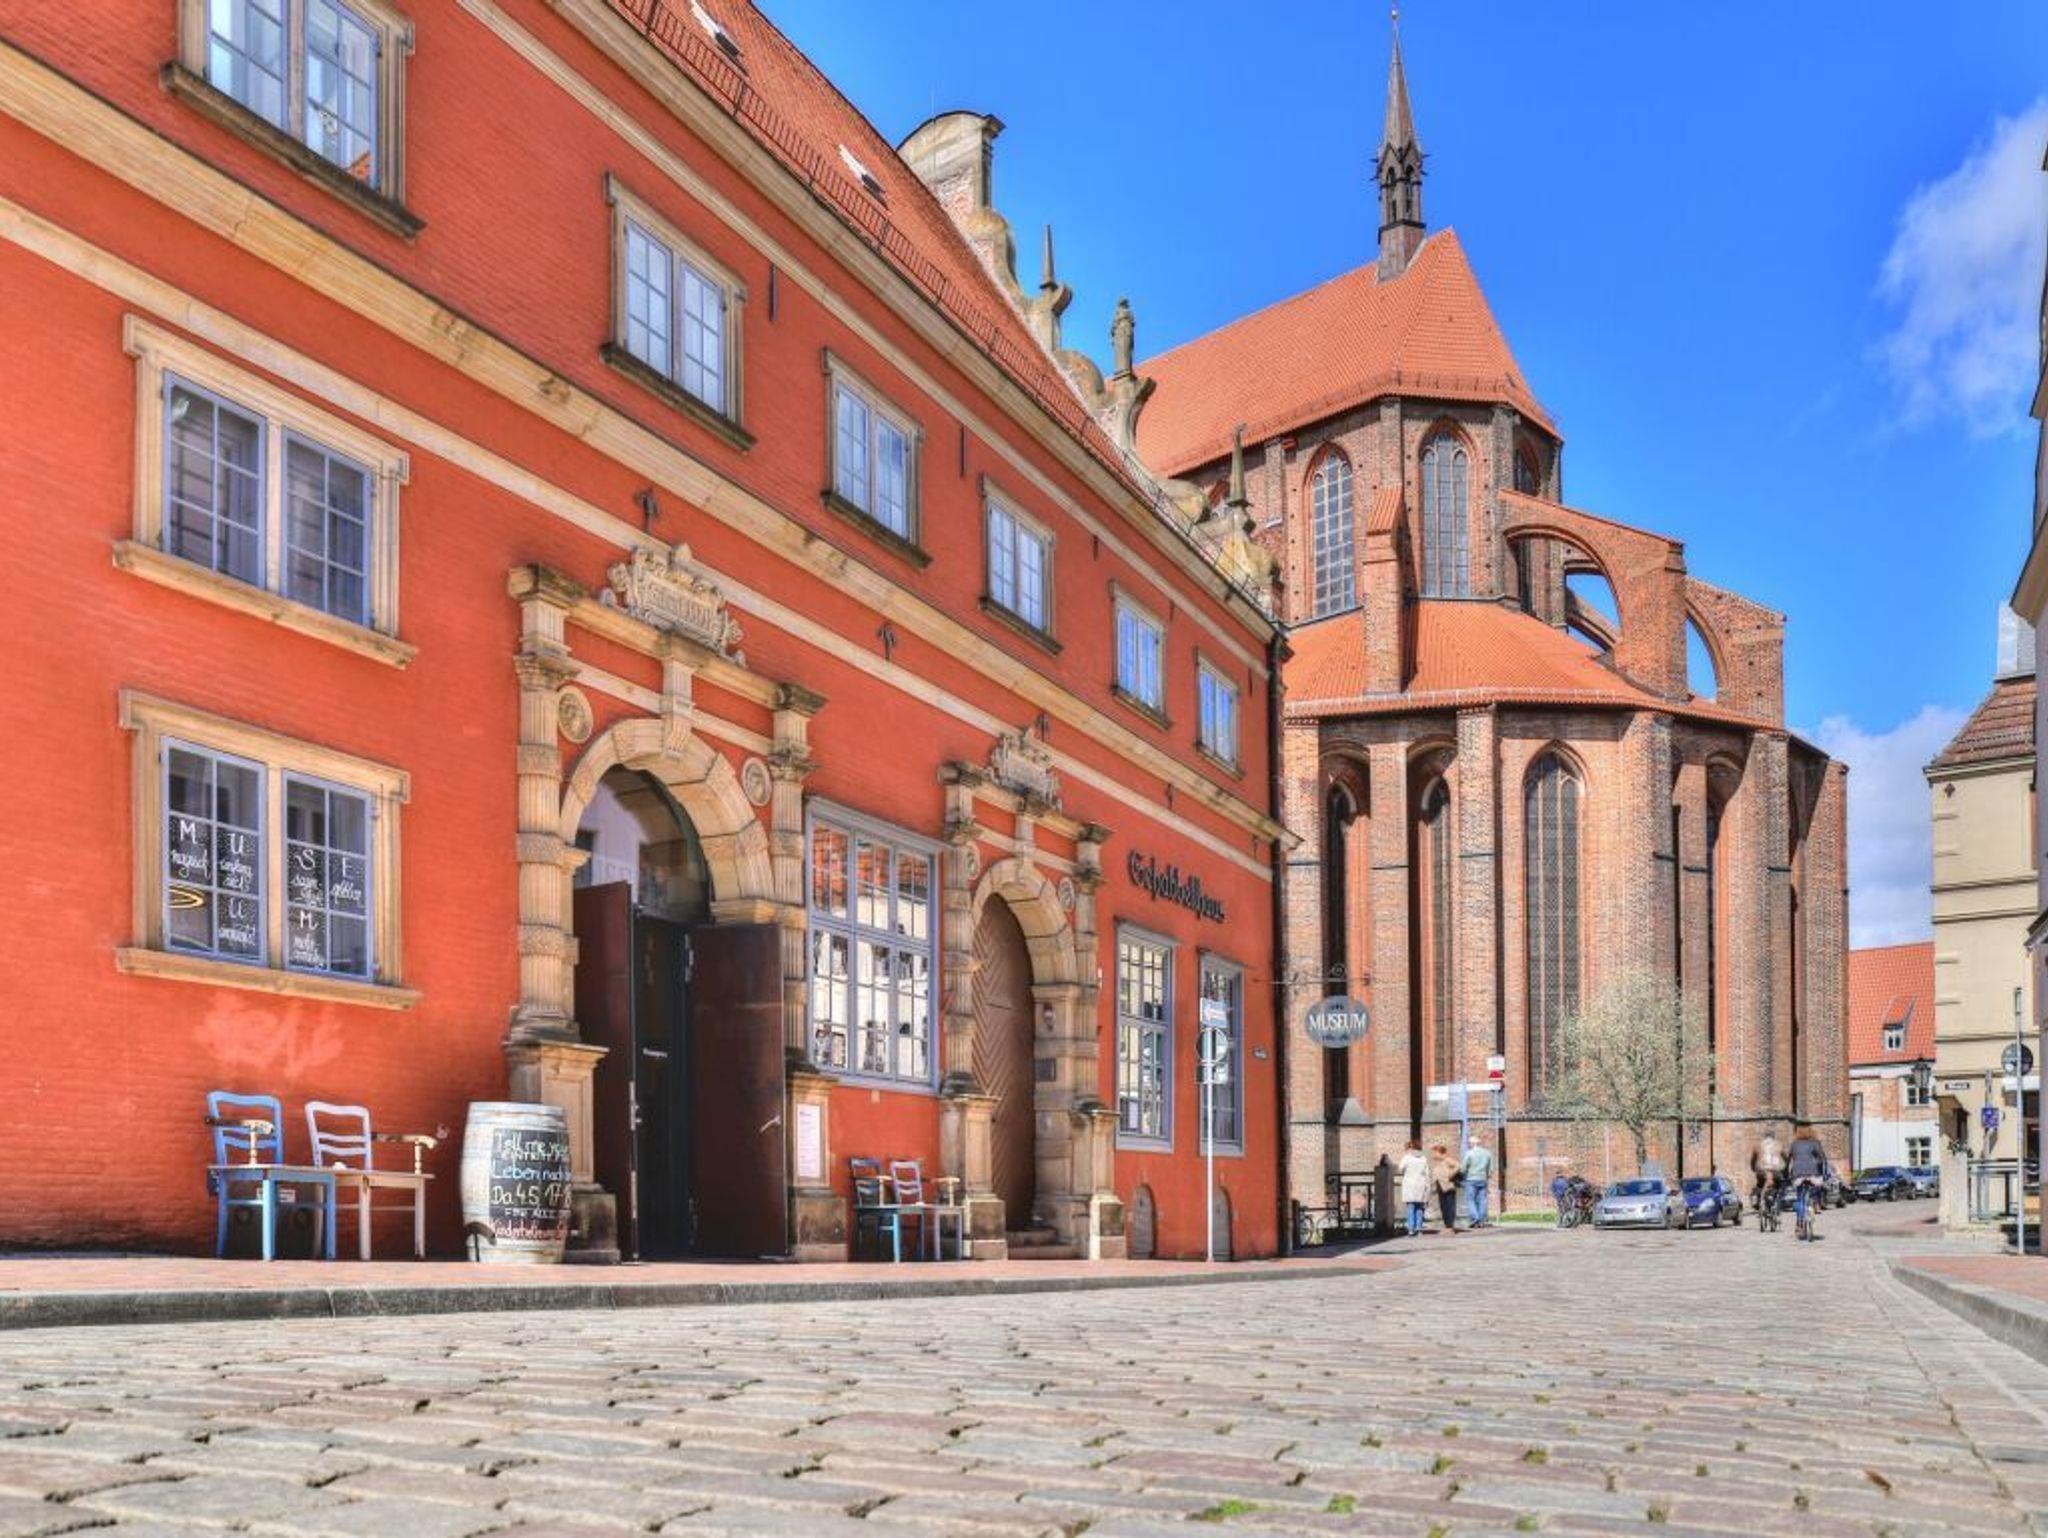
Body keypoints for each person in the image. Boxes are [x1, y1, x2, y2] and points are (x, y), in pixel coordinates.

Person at [1784, 1122, 1832, 1236]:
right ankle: (1814, 1203)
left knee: (1800, 1199)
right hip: (1812, 1173)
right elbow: (1823, 1159)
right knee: (1815, 1188)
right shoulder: (1814, 1143)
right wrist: (1823, 1173)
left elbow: (1788, 1160)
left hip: (1798, 1174)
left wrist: (1786, 1174)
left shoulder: (1794, 1144)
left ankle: (1799, 1223)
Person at [1398, 1139, 1431, 1237]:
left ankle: (1411, 1229)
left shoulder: (1407, 1158)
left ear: (1410, 1148)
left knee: (1410, 1207)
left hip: (1410, 1185)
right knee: (1420, 1207)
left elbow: (1400, 1169)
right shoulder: (1423, 1158)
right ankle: (1419, 1228)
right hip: (1421, 1184)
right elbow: (1427, 1173)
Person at [1461, 1136, 1495, 1228]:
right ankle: (1481, 1220)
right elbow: (1491, 1168)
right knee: (1482, 1200)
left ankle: (1475, 1218)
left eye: (1469, 1143)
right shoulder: (1487, 1153)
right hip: (1483, 1179)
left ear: (1472, 1144)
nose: (1468, 1145)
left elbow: (1463, 1168)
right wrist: (1487, 1176)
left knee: (1470, 1199)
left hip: (1471, 1179)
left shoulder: (1469, 1153)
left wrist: (1463, 1175)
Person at [1749, 1127, 1785, 1209]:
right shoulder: (1779, 1145)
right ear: (1774, 1136)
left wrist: (1753, 1168)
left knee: (1759, 1184)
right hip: (1775, 1170)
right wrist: (1785, 1169)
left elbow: (1753, 1160)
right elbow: (1785, 1157)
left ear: (1765, 1136)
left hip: (1761, 1170)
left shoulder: (1758, 1145)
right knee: (1778, 1185)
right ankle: (1773, 1197)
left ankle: (1756, 1197)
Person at [1430, 1144, 1461, 1235]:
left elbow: (1458, 1166)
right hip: (1441, 1186)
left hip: (1448, 1186)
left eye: (1434, 1153)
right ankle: (1447, 1226)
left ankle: (1450, 1227)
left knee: (1449, 1206)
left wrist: (1450, 1175)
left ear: (1439, 1153)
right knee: (1443, 1207)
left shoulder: (1447, 1160)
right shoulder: (1438, 1162)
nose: (1433, 1155)